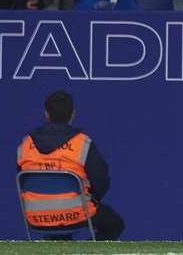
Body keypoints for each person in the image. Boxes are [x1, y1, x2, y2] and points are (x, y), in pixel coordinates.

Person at [16, 90, 124, 240]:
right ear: (73, 114)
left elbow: (22, 182)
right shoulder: (82, 143)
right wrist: (91, 199)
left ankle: (56, 242)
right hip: (76, 213)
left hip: (36, 216)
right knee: (114, 224)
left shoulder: (25, 144)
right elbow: (101, 180)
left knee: (59, 231)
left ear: (46, 114)